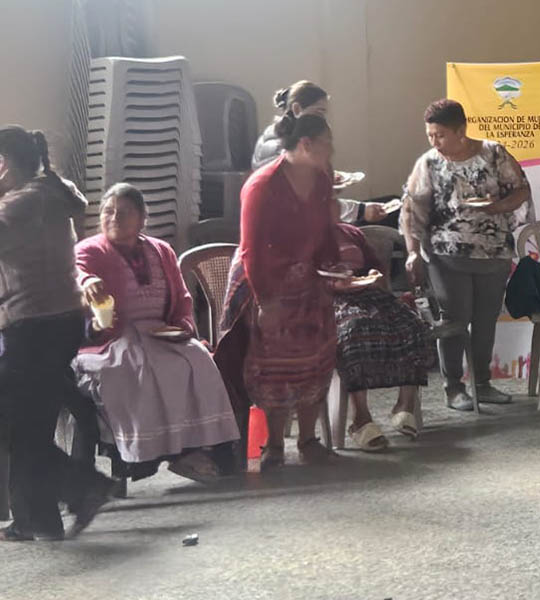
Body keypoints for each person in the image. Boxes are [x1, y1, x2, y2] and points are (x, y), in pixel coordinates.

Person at [73, 184, 240, 484]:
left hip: (161, 332)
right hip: (113, 336)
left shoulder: (161, 250)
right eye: (108, 212)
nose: (114, 218)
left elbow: (182, 297)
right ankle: (150, 457)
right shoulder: (89, 250)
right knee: (135, 368)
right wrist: (87, 283)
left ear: (142, 218)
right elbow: (77, 273)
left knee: (199, 359)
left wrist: (182, 327)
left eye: (124, 212)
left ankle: (196, 450)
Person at [0, 125, 114, 541]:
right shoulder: (50, 192)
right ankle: (38, 519)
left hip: (33, 325)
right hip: (57, 321)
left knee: (16, 424)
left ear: (4, 164)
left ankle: (85, 488)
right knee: (30, 426)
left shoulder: (21, 204)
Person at [216, 113, 340, 470]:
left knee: (315, 359)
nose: (331, 151)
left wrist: (335, 269)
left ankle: (308, 439)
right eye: (326, 144)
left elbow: (326, 231)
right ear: (305, 144)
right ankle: (273, 444)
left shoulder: (321, 179)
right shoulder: (262, 186)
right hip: (265, 280)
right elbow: (252, 249)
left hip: (309, 278)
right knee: (273, 364)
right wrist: (266, 302)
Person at [400, 99, 532, 411]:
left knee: (486, 320)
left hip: (493, 250)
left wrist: (496, 207)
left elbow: (521, 190)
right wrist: (412, 252)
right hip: (446, 254)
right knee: (453, 320)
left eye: (441, 135)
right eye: (430, 135)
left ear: (461, 131)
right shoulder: (428, 163)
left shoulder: (494, 153)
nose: (435, 142)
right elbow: (412, 210)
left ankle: (482, 383)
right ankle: (454, 387)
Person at [330, 223, 435, 449]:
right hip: (330, 299)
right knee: (355, 330)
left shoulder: (351, 232)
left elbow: (374, 264)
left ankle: (404, 405)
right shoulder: (305, 235)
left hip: (366, 293)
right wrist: (335, 283)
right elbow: (303, 275)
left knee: (412, 325)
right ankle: (360, 418)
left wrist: (373, 274)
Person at [251, 80, 390, 225]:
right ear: (297, 109)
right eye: (319, 112)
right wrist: (361, 211)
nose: (323, 120)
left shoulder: (278, 137)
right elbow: (311, 205)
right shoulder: (283, 150)